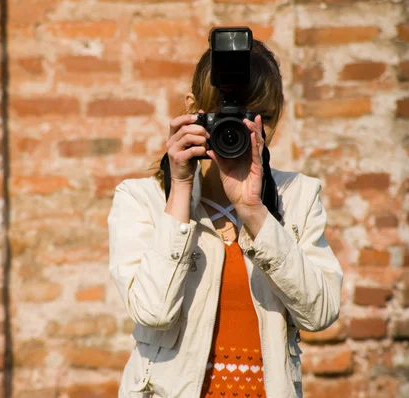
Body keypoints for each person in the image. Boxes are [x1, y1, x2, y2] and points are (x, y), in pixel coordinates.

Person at [107, 34, 343, 398]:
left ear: (272, 121)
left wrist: (254, 212)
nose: (237, 130)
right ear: (192, 109)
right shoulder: (142, 200)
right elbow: (153, 312)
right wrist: (181, 189)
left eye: (254, 118)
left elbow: (320, 313)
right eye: (223, 115)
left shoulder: (297, 197)